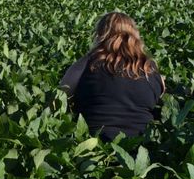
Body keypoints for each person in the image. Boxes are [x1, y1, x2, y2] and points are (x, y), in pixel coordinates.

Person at [60, 12, 165, 141]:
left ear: (100, 35)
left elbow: (58, 101)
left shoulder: (85, 64)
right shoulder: (149, 67)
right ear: (135, 35)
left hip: (94, 145)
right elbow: (160, 97)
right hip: (142, 144)